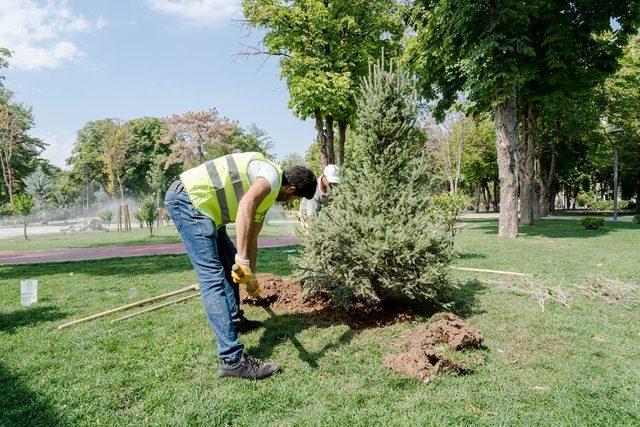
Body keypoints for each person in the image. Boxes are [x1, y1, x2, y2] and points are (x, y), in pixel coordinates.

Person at [164, 152, 316, 380]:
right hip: (189, 202)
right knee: (212, 279)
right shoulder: (270, 178)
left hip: (205, 209)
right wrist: (242, 261)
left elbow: (252, 236)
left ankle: (235, 321)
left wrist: (250, 276)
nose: (289, 204)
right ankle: (232, 360)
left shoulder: (269, 189)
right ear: (292, 191)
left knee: (229, 261)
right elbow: (245, 203)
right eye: (293, 200)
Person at [299, 164, 340, 228]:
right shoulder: (314, 190)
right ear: (324, 176)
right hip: (307, 214)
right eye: (331, 182)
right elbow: (311, 216)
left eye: (334, 183)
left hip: (322, 212)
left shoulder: (333, 186)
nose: (333, 185)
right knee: (311, 231)